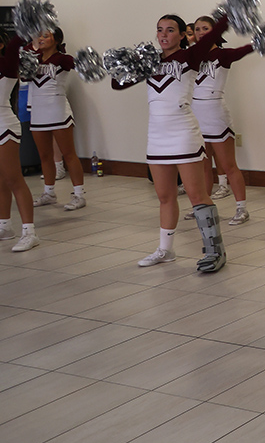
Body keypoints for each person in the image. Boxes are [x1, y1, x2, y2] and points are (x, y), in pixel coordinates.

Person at [112, 15, 229, 272]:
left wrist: (228, 13)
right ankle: (166, 250)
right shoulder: (150, 62)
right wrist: (126, 64)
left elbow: (210, 36)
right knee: (165, 197)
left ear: (182, 35)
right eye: (160, 30)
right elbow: (117, 84)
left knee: (197, 195)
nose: (164, 34)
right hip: (157, 135)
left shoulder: (190, 57)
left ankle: (215, 251)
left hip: (184, 132)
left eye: (170, 30)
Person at [189, 16, 252, 226]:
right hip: (195, 112)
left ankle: (242, 208)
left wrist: (261, 41)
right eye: (197, 29)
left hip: (215, 112)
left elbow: (244, 50)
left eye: (205, 28)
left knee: (228, 165)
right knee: (202, 165)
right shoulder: (191, 56)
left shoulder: (222, 55)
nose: (200, 32)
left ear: (214, 31)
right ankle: (202, 207)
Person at [27, 27, 86, 211]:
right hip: (38, 112)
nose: (41, 39)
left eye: (46, 36)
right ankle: (49, 193)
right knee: (45, 156)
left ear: (57, 39)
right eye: (39, 35)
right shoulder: (32, 59)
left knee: (68, 154)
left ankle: (79, 195)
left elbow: (85, 67)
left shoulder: (63, 59)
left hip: (58, 111)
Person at [0, 33, 38, 252]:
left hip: (5, 126)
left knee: (14, 179)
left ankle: (30, 232)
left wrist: (28, 22)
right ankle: (4, 226)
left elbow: (16, 42)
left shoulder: (7, 65)